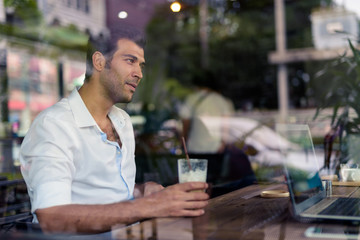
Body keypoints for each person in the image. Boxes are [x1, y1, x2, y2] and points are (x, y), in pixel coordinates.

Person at [19, 28, 209, 234]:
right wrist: (150, 206)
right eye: (130, 61)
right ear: (99, 62)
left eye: (141, 65)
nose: (139, 73)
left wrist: (144, 191)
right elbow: (51, 217)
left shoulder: (122, 121)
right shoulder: (54, 125)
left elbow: (107, 192)